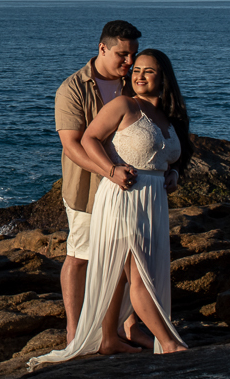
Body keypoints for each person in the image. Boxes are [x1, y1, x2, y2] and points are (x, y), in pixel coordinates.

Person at [29, 49, 193, 367]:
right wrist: (110, 170)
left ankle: (108, 339)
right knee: (139, 275)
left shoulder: (168, 116)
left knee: (121, 273)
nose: (139, 75)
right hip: (123, 198)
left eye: (148, 71)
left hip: (153, 202)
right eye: (136, 70)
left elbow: (171, 156)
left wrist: (173, 172)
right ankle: (169, 343)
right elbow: (89, 139)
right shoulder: (123, 105)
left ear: (164, 78)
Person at [52, 20, 145, 348]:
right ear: (102, 48)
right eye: (122, 54)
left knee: (129, 258)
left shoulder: (133, 83)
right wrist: (109, 171)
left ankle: (127, 326)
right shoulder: (73, 88)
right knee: (80, 256)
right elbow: (71, 145)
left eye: (133, 55)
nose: (129, 62)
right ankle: (74, 332)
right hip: (88, 189)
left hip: (130, 187)